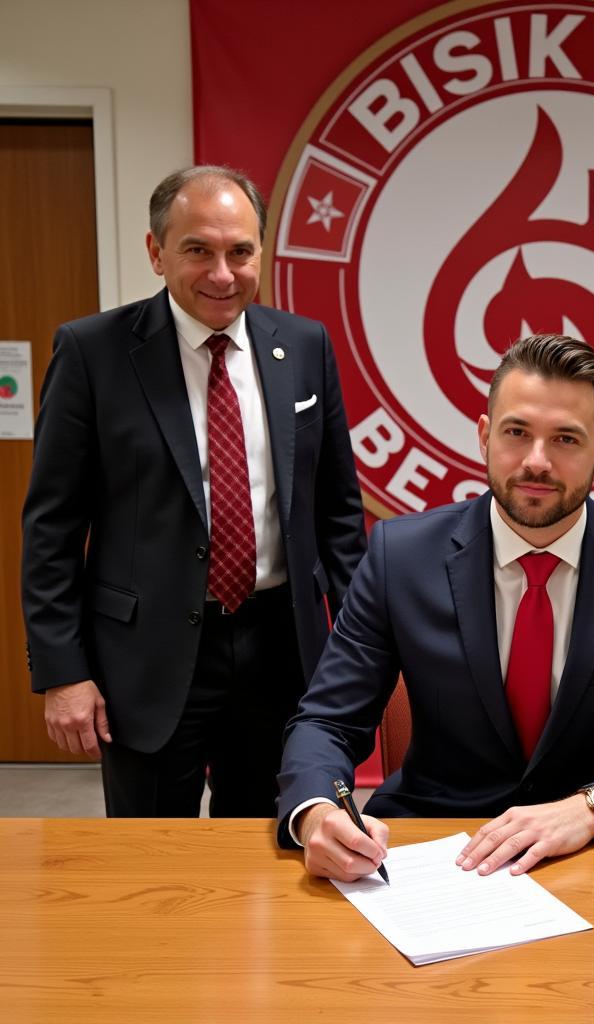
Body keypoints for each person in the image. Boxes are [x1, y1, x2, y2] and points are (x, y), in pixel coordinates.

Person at [278, 334, 594, 880]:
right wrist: (316, 815)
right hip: (431, 849)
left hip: (592, 856)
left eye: (567, 439)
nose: (536, 462)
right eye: (516, 433)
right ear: (483, 435)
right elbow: (327, 722)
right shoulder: (398, 557)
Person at [21, 165, 367, 816]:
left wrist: (360, 652)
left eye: (240, 251)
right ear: (157, 252)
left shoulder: (304, 345)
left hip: (281, 651)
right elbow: (52, 530)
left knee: (273, 852)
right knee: (153, 862)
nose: (222, 274)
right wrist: (63, 671)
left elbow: (337, 517)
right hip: (144, 657)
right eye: (198, 251)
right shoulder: (92, 353)